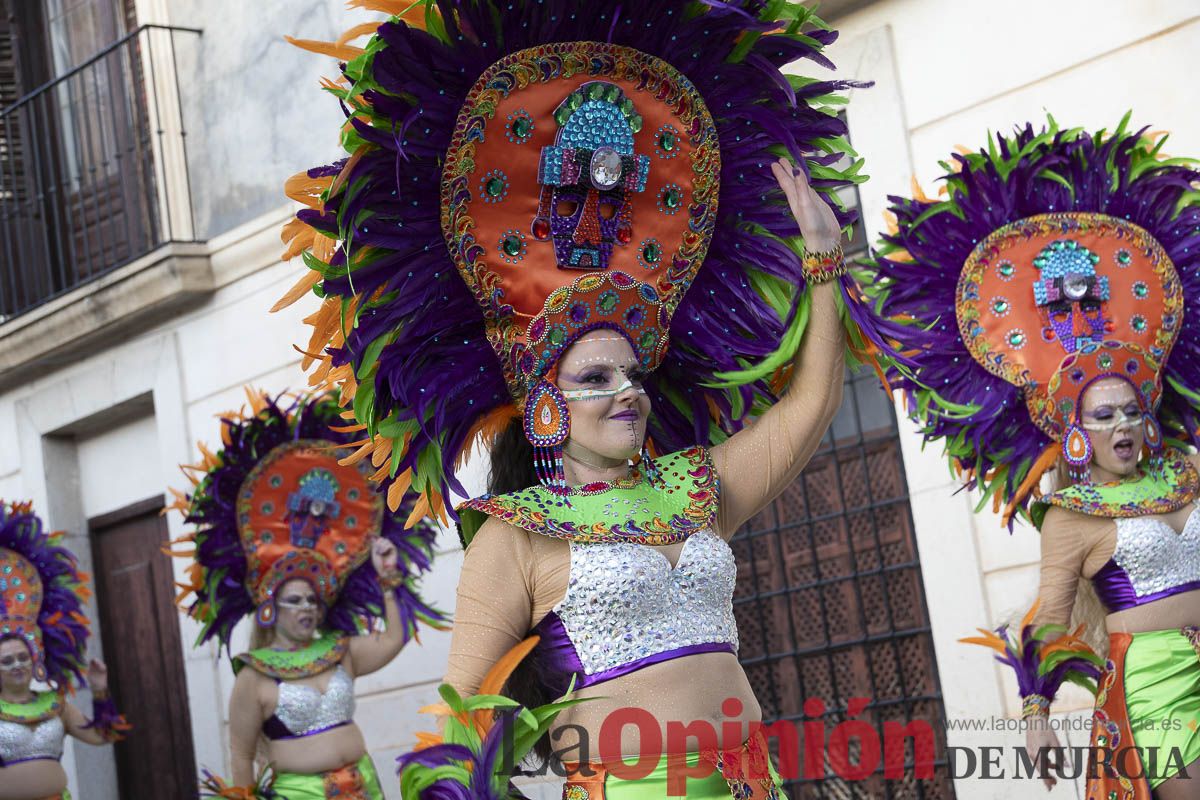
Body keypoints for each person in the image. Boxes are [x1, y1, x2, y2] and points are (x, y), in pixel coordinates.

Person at [277, 2, 878, 795]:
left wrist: (824, 267)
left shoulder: (693, 490)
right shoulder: (514, 537)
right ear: (547, 407)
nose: (626, 392)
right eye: (595, 379)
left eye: (632, 375)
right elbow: (470, 717)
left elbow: (808, 407)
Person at [865, 115, 1200, 799]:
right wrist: (1036, 713)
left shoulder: (1191, 470)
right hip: (1156, 686)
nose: (1124, 424)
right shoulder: (1071, 514)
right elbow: (1050, 619)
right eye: (1104, 415)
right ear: (1077, 432)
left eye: (1133, 409)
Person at [173, 390, 445, 799]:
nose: (307, 608)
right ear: (270, 609)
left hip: (363, 787)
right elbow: (242, 753)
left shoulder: (341, 651)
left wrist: (387, 575)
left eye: (312, 600)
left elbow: (394, 637)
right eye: (295, 600)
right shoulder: (254, 675)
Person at [0, 501, 129, 800]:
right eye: (7, 661)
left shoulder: (55, 704)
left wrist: (99, 691)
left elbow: (106, 735)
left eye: (23, 657)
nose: (17, 665)